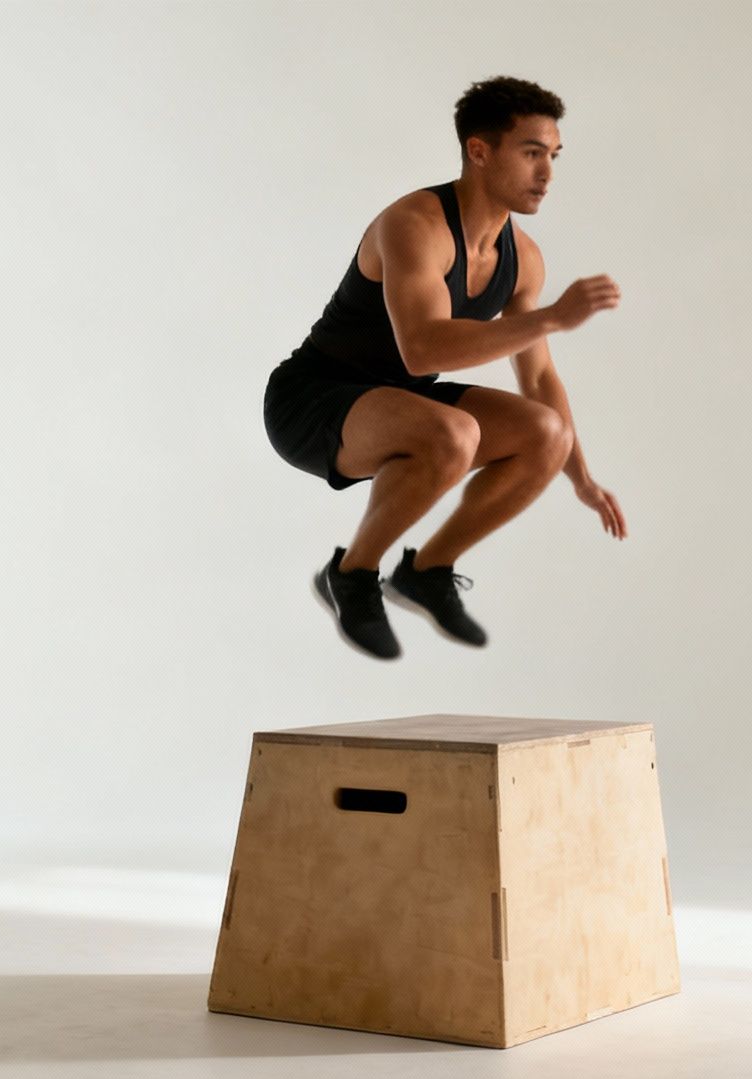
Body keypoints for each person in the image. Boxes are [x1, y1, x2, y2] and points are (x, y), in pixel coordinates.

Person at [263, 76, 627, 660]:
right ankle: (352, 575)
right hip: (312, 401)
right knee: (454, 432)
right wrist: (554, 318)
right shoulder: (413, 225)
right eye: (532, 153)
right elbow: (423, 350)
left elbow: (538, 378)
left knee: (546, 433)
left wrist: (579, 476)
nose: (548, 173)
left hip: (402, 402)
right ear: (479, 151)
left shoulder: (523, 257)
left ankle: (427, 572)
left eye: (553, 156)